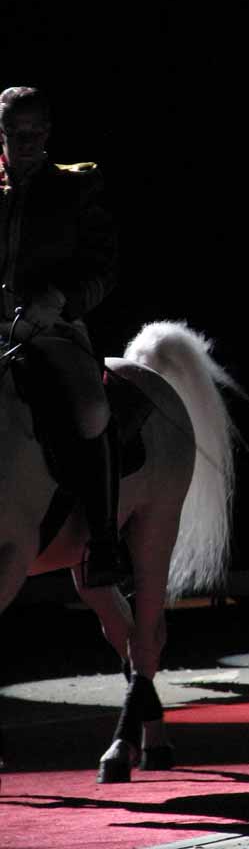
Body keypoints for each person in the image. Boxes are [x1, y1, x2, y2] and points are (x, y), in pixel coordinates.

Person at [0, 85, 127, 586]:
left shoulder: (76, 189)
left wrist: (56, 303)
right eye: (15, 132)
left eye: (35, 133)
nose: (26, 142)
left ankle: (103, 542)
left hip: (52, 327)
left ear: (48, 133)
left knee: (92, 409)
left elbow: (103, 268)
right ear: (2, 132)